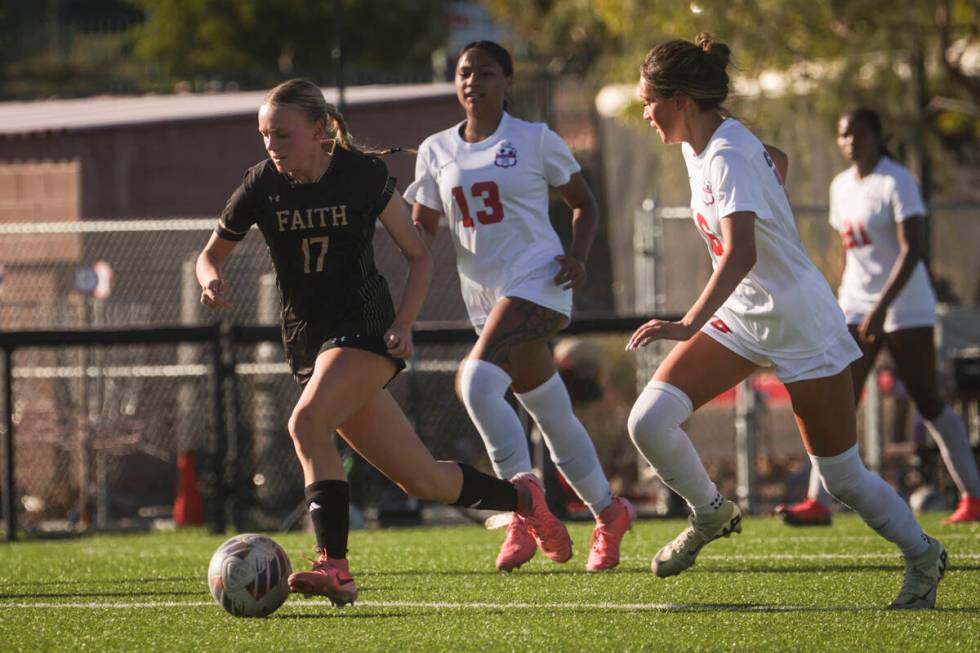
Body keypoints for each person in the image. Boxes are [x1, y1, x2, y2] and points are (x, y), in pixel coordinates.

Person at [196, 78, 570, 606]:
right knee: (422, 480)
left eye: (282, 134)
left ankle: (336, 568)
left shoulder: (361, 175)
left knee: (306, 423)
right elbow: (209, 254)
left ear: (320, 131)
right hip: (309, 344)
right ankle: (523, 498)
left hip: (367, 332)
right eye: (264, 136)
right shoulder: (261, 184)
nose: (271, 146)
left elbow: (420, 256)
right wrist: (209, 276)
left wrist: (405, 322)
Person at [627, 34, 947, 609]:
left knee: (842, 477)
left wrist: (687, 321)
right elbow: (779, 160)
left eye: (649, 101)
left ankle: (924, 556)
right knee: (649, 421)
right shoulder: (702, 146)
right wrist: (765, 184)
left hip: (799, 322)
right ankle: (711, 513)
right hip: (742, 319)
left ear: (678, 100)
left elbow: (741, 252)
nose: (645, 114)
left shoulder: (724, 154)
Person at [405, 41, 634, 572]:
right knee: (551, 413)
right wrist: (380, 209)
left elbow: (584, 204)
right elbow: (421, 231)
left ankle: (523, 511)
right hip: (484, 299)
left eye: (485, 73)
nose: (473, 82)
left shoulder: (534, 139)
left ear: (508, 82)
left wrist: (577, 256)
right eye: (464, 73)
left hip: (540, 281)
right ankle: (609, 509)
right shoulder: (435, 149)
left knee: (476, 382)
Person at [778, 107, 980, 526]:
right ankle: (819, 502)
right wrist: (837, 300)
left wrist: (882, 306)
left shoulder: (897, 180)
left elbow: (913, 249)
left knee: (927, 400)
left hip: (905, 307)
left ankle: (973, 496)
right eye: (842, 135)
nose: (848, 142)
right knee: (837, 398)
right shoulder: (841, 186)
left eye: (856, 133)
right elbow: (848, 252)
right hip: (855, 305)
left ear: (875, 133)